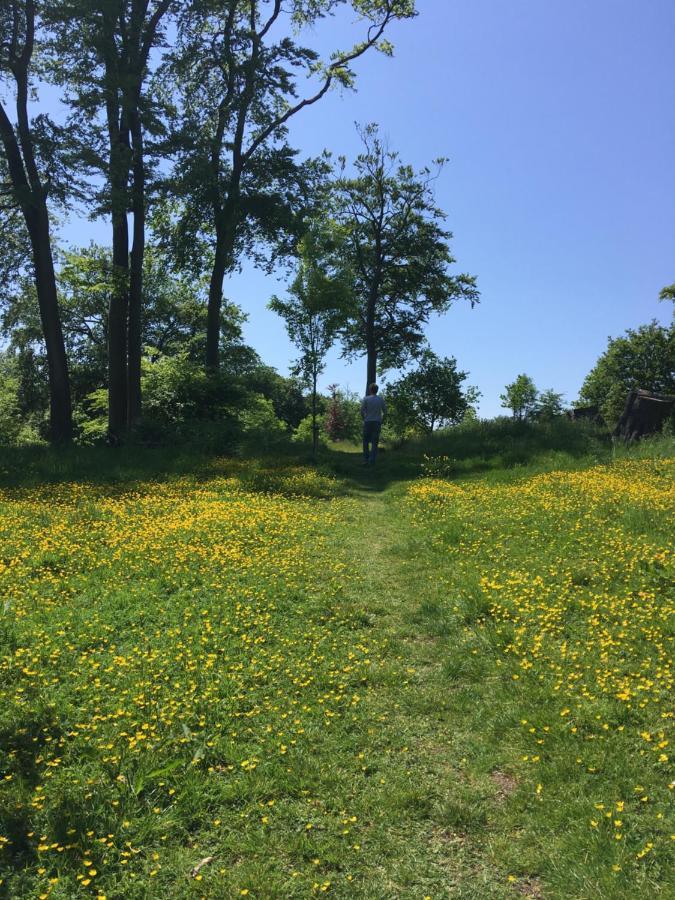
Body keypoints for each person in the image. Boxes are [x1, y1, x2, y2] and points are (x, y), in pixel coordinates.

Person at [360, 383, 386, 465]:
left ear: (370, 390)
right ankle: (372, 460)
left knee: (365, 441)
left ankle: (365, 460)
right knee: (375, 442)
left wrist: (364, 419)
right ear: (377, 390)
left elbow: (361, 411)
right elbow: (385, 412)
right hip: (377, 422)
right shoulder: (380, 399)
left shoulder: (366, 399)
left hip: (368, 422)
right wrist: (382, 420)